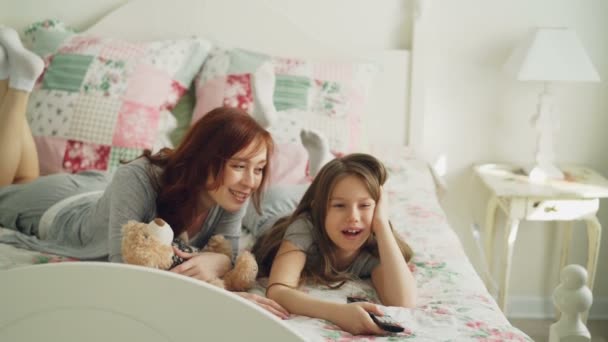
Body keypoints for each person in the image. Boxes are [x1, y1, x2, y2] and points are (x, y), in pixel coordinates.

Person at [0, 26, 288, 318]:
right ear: (206, 159)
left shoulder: (232, 192)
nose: (251, 181)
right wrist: (226, 297)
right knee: (8, 189)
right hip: (61, 208)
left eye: (260, 169)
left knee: (24, 177)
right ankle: (17, 83)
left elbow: (230, 254)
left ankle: (17, 78)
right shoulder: (139, 176)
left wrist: (218, 263)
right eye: (239, 166)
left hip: (102, 194)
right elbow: (124, 269)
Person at [250, 152, 417, 335]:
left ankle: (319, 169)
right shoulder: (304, 228)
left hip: (317, 199)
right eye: (339, 206)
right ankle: (316, 169)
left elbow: (403, 301)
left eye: (365, 205)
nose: (353, 217)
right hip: (270, 210)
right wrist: (338, 313)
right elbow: (278, 290)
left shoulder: (374, 243)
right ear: (319, 211)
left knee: (328, 187)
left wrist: (382, 224)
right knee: (258, 204)